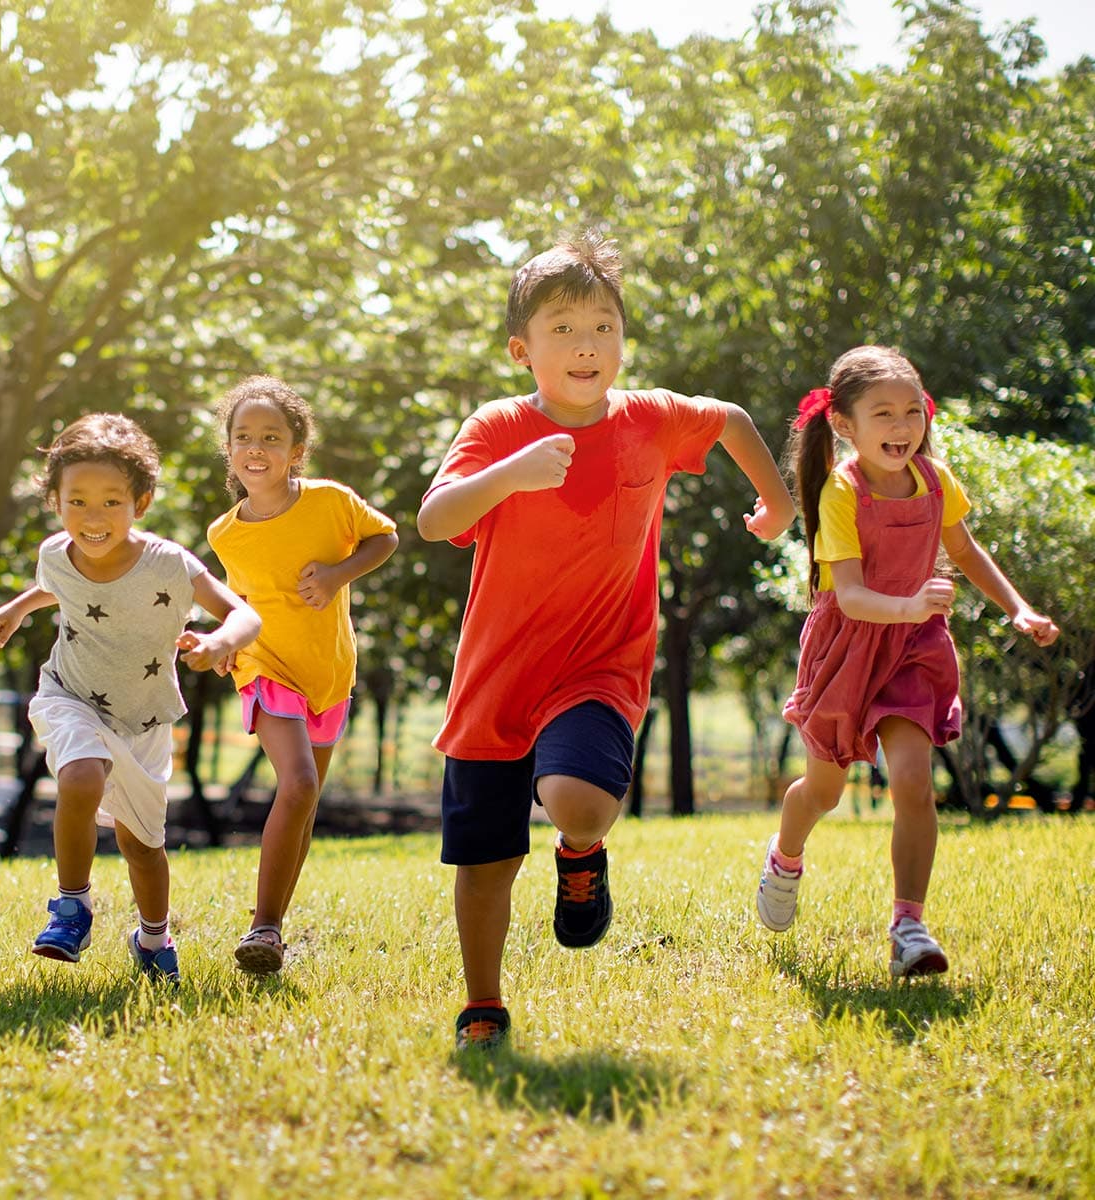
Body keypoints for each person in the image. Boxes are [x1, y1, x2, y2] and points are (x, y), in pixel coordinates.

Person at [415, 232, 795, 1050]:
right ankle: (484, 1004)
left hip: (598, 666)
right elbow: (434, 518)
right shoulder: (497, 426)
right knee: (484, 863)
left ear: (623, 340)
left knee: (581, 800)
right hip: (494, 680)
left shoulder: (650, 420)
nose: (587, 345)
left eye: (603, 327)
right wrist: (507, 475)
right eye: (563, 329)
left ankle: (580, 852)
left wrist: (779, 504)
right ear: (523, 350)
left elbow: (728, 419)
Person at [755, 345, 1058, 976]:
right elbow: (855, 595)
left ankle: (908, 926)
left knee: (914, 784)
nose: (901, 428)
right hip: (850, 648)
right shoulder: (843, 491)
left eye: (911, 412)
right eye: (883, 414)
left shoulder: (936, 478)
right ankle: (785, 856)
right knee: (824, 792)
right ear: (844, 424)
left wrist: (1018, 608)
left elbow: (966, 552)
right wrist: (914, 602)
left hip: (914, 649)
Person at [0, 413, 260, 983]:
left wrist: (218, 642)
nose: (93, 517)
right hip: (71, 693)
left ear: (142, 501)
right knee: (82, 774)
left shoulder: (168, 563)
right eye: (77, 502)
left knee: (142, 846)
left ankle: (153, 938)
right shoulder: (54, 554)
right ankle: (71, 906)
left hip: (145, 716)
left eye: (112, 502)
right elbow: (56, 587)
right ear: (55, 502)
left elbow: (244, 613)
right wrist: (17, 607)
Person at [206, 376, 398, 974]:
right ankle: (262, 925)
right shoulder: (224, 533)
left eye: (271, 436)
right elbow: (233, 599)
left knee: (305, 798)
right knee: (299, 785)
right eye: (243, 437)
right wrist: (220, 643)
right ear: (230, 450)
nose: (255, 447)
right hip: (264, 666)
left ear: (297, 450)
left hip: (329, 670)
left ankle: (273, 934)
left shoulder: (330, 501)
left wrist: (340, 573)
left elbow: (385, 536)